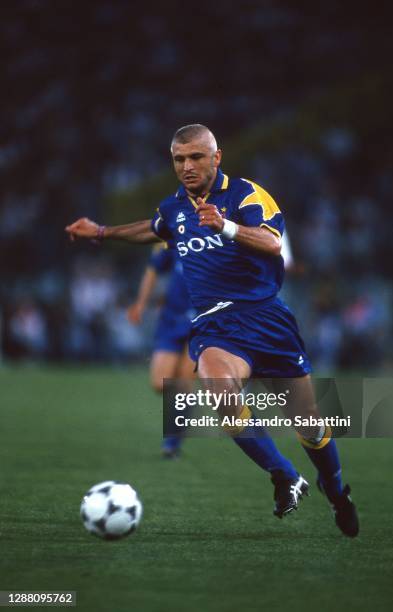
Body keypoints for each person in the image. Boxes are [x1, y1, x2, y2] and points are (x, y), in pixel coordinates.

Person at [66, 124, 359, 537]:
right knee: (219, 390)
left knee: (308, 422)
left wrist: (225, 226)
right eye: (179, 159)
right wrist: (100, 232)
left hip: (266, 318)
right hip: (214, 323)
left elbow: (273, 243)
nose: (187, 166)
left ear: (216, 157)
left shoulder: (245, 194)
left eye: (196, 157)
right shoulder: (174, 208)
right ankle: (284, 475)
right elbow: (154, 228)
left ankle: (336, 492)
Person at [127, 242, 195, 457]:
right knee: (160, 383)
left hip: (202, 319)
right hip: (172, 318)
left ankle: (172, 443)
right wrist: (141, 302)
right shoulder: (174, 232)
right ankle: (182, 413)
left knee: (184, 383)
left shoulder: (218, 233)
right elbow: (153, 268)